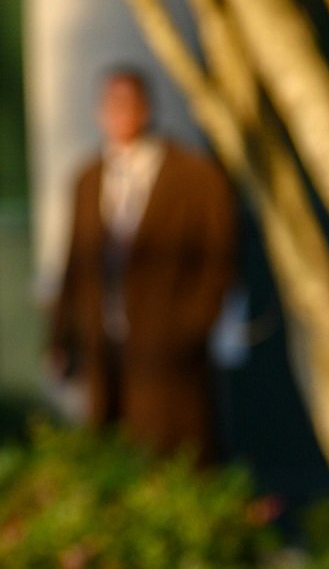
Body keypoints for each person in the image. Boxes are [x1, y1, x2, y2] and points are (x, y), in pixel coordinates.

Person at [46, 65, 237, 461]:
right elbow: (75, 261)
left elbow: (220, 258)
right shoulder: (88, 178)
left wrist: (192, 324)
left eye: (127, 105)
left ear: (146, 109)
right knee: (113, 449)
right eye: (111, 106)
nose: (119, 116)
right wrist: (61, 334)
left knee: (175, 448)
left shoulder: (194, 177)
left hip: (168, 349)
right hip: (106, 345)